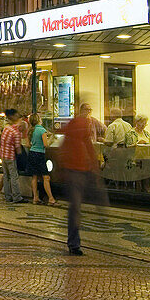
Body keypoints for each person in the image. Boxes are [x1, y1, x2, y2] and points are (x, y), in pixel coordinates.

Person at [59, 102, 106, 256]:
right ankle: (74, 243)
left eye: (90, 109)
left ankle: (75, 241)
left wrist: (93, 164)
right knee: (76, 207)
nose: (88, 112)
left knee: (76, 207)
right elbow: (71, 144)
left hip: (80, 169)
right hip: (75, 170)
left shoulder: (82, 123)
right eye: (86, 109)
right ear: (80, 110)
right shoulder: (76, 124)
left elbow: (86, 145)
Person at [28, 112, 56, 205]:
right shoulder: (42, 130)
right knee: (46, 177)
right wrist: (50, 140)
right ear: (39, 120)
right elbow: (45, 144)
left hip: (32, 154)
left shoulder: (30, 130)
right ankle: (51, 198)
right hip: (40, 154)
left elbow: (28, 144)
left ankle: (35, 197)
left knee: (34, 177)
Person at [0, 109, 25, 203]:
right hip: (10, 157)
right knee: (13, 176)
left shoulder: (6, 128)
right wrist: (22, 156)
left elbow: (1, 141)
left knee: (6, 176)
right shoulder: (16, 133)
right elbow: (18, 148)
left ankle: (8, 196)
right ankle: (17, 197)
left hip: (3, 155)